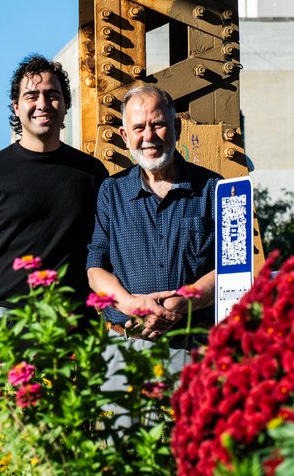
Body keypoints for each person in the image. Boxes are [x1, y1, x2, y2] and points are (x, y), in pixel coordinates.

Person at [0, 53, 109, 397]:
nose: (43, 104)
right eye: (31, 96)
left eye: (52, 95)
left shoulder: (92, 174)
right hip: (4, 331)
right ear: (16, 107)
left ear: (65, 105)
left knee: (72, 444)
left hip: (73, 330)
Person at [86, 85, 221, 345]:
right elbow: (95, 269)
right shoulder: (111, 192)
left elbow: (230, 268)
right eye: (138, 128)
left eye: (158, 124)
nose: (149, 136)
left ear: (177, 128)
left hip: (195, 347)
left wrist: (177, 305)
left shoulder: (213, 188)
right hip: (125, 344)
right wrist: (133, 305)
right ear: (125, 136)